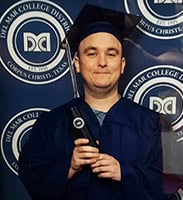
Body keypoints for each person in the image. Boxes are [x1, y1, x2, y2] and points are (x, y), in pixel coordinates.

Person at [18, 4, 164, 200]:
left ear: (122, 66)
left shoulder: (149, 123)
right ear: (77, 63)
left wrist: (124, 172)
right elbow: (32, 179)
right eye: (92, 53)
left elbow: (167, 184)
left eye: (111, 54)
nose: (102, 62)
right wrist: (69, 168)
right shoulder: (51, 124)